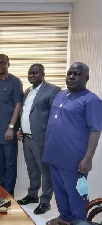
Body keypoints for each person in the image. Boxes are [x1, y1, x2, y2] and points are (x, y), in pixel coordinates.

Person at [43, 62, 102, 225]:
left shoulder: (92, 100)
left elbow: (95, 130)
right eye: (69, 73)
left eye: (76, 74)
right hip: (54, 154)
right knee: (60, 191)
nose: (71, 77)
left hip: (74, 159)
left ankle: (79, 221)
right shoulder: (60, 95)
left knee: (76, 194)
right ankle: (65, 218)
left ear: (86, 77)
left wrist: (88, 158)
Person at [16, 64, 61, 214]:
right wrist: (21, 129)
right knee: (32, 169)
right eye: (30, 73)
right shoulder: (28, 91)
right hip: (26, 138)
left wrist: (49, 135)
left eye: (35, 73)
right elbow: (26, 112)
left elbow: (55, 116)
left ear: (43, 74)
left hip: (41, 138)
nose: (32, 75)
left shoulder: (52, 90)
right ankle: (32, 195)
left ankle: (45, 200)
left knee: (45, 171)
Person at [0, 54, 23, 196]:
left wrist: (11, 127)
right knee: (0, 163)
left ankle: (9, 193)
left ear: (8, 64)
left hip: (8, 132)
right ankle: (3, 189)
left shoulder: (15, 81)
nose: (0, 65)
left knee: (10, 164)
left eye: (3, 62)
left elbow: (18, 105)